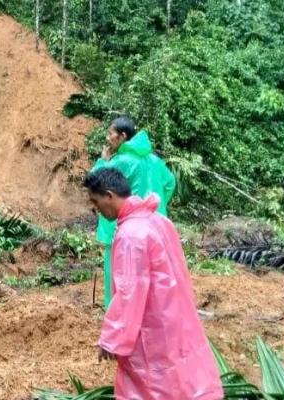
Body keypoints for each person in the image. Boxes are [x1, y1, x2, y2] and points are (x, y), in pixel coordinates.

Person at [84, 168, 221, 400]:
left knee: (152, 385)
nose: (96, 209)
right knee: (180, 379)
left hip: (152, 325)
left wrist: (111, 339)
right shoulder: (158, 221)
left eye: (95, 202)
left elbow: (129, 292)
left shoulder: (130, 235)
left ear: (109, 195)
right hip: (176, 317)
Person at [91, 116, 176, 307]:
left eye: (110, 133)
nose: (107, 137)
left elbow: (95, 182)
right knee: (151, 277)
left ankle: (117, 320)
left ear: (122, 136)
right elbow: (170, 183)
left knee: (119, 281)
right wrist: (158, 207)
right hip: (155, 229)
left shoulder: (121, 161)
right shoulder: (154, 160)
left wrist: (102, 161)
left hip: (122, 232)